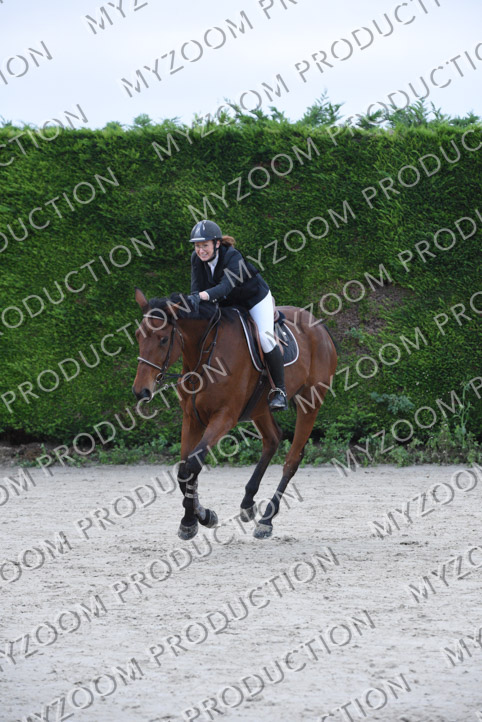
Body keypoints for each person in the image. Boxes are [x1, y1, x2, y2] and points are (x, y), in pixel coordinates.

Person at [187, 219, 288, 411]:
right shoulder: (196, 259)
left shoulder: (232, 257)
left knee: (265, 339)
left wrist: (200, 296)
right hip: (228, 303)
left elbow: (225, 287)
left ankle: (280, 392)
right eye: (197, 246)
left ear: (217, 243)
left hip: (254, 299)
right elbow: (196, 289)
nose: (200, 250)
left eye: (205, 245)